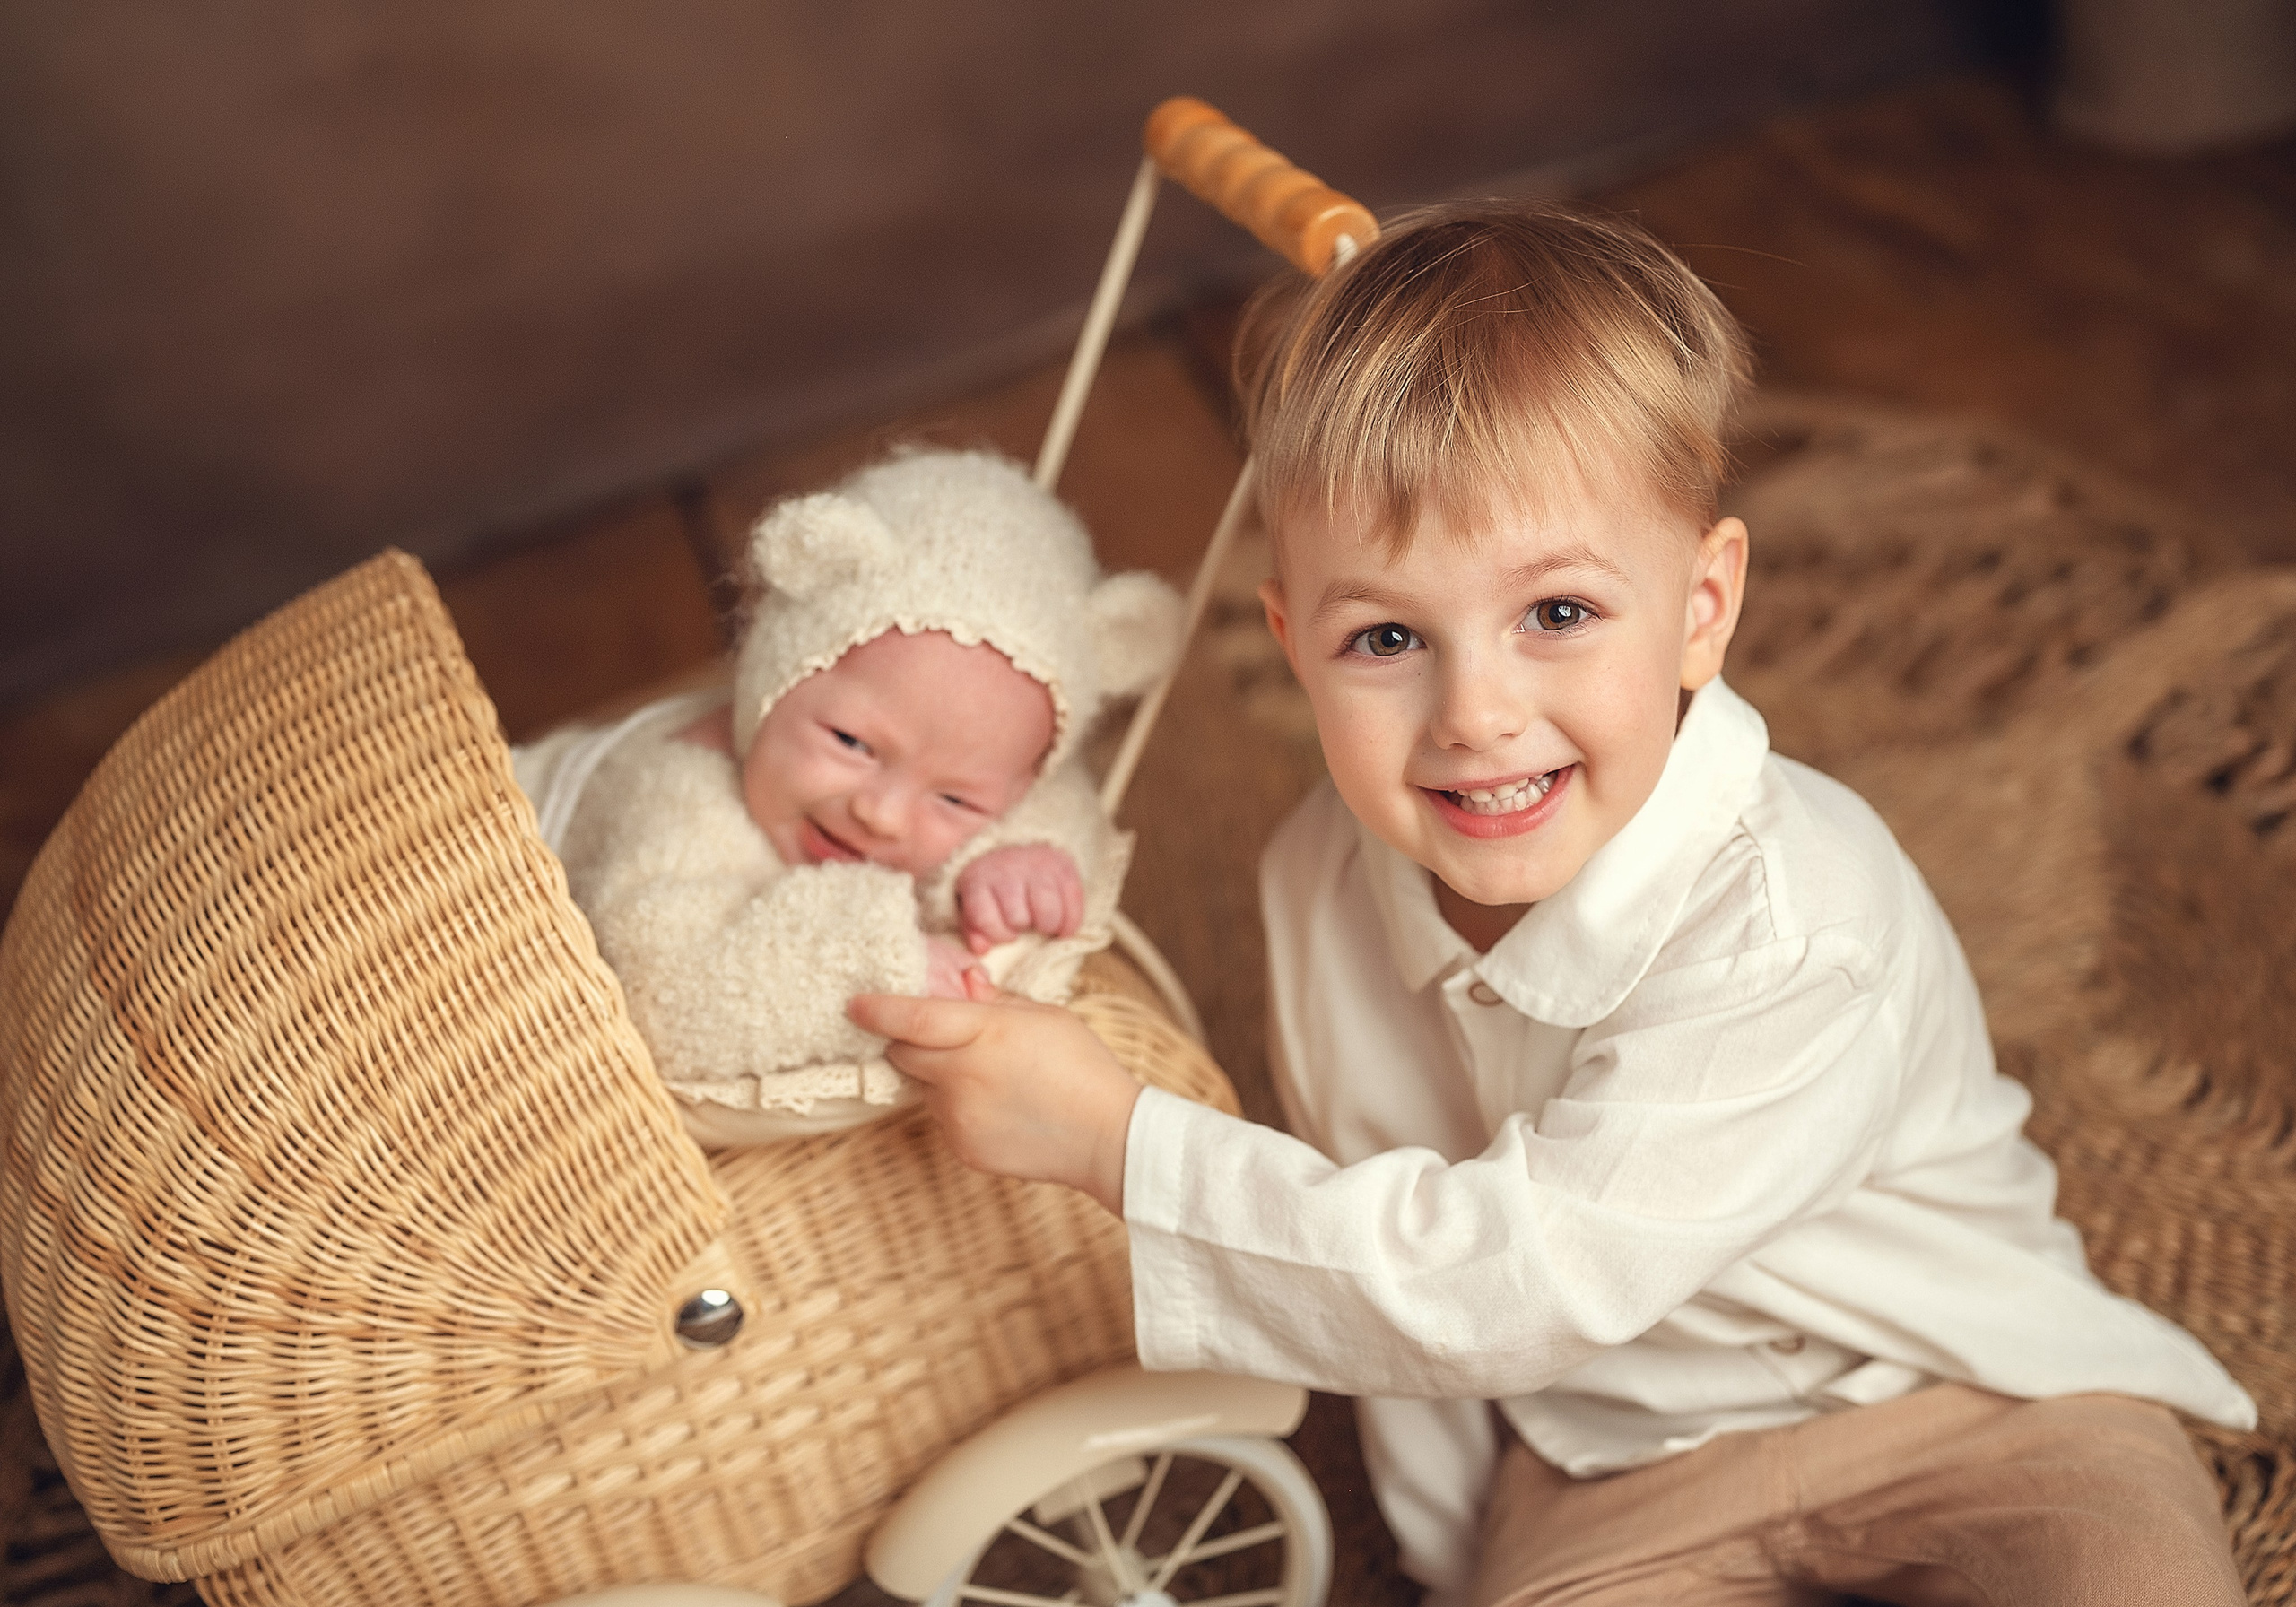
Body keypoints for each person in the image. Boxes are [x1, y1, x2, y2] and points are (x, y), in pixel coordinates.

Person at [850, 203, 2258, 1603]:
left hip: (1961, 1397)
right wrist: (1465, 1560)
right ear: (1292, 645)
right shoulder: (1314, 882)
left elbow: (1511, 1282)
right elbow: (1392, 1228)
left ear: (1703, 606)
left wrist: (1120, 1146)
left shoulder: (1799, 923)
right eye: (1388, 636)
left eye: (1559, 615)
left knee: (2134, 1576)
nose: (1478, 714)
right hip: (1612, 1465)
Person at [516, 447, 1182, 1138]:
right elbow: (656, 992)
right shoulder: (677, 789)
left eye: (956, 801)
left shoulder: (983, 765)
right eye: (851, 743)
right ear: (772, 682)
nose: (880, 814)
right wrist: (869, 963)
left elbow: (1056, 796)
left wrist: (1021, 857)